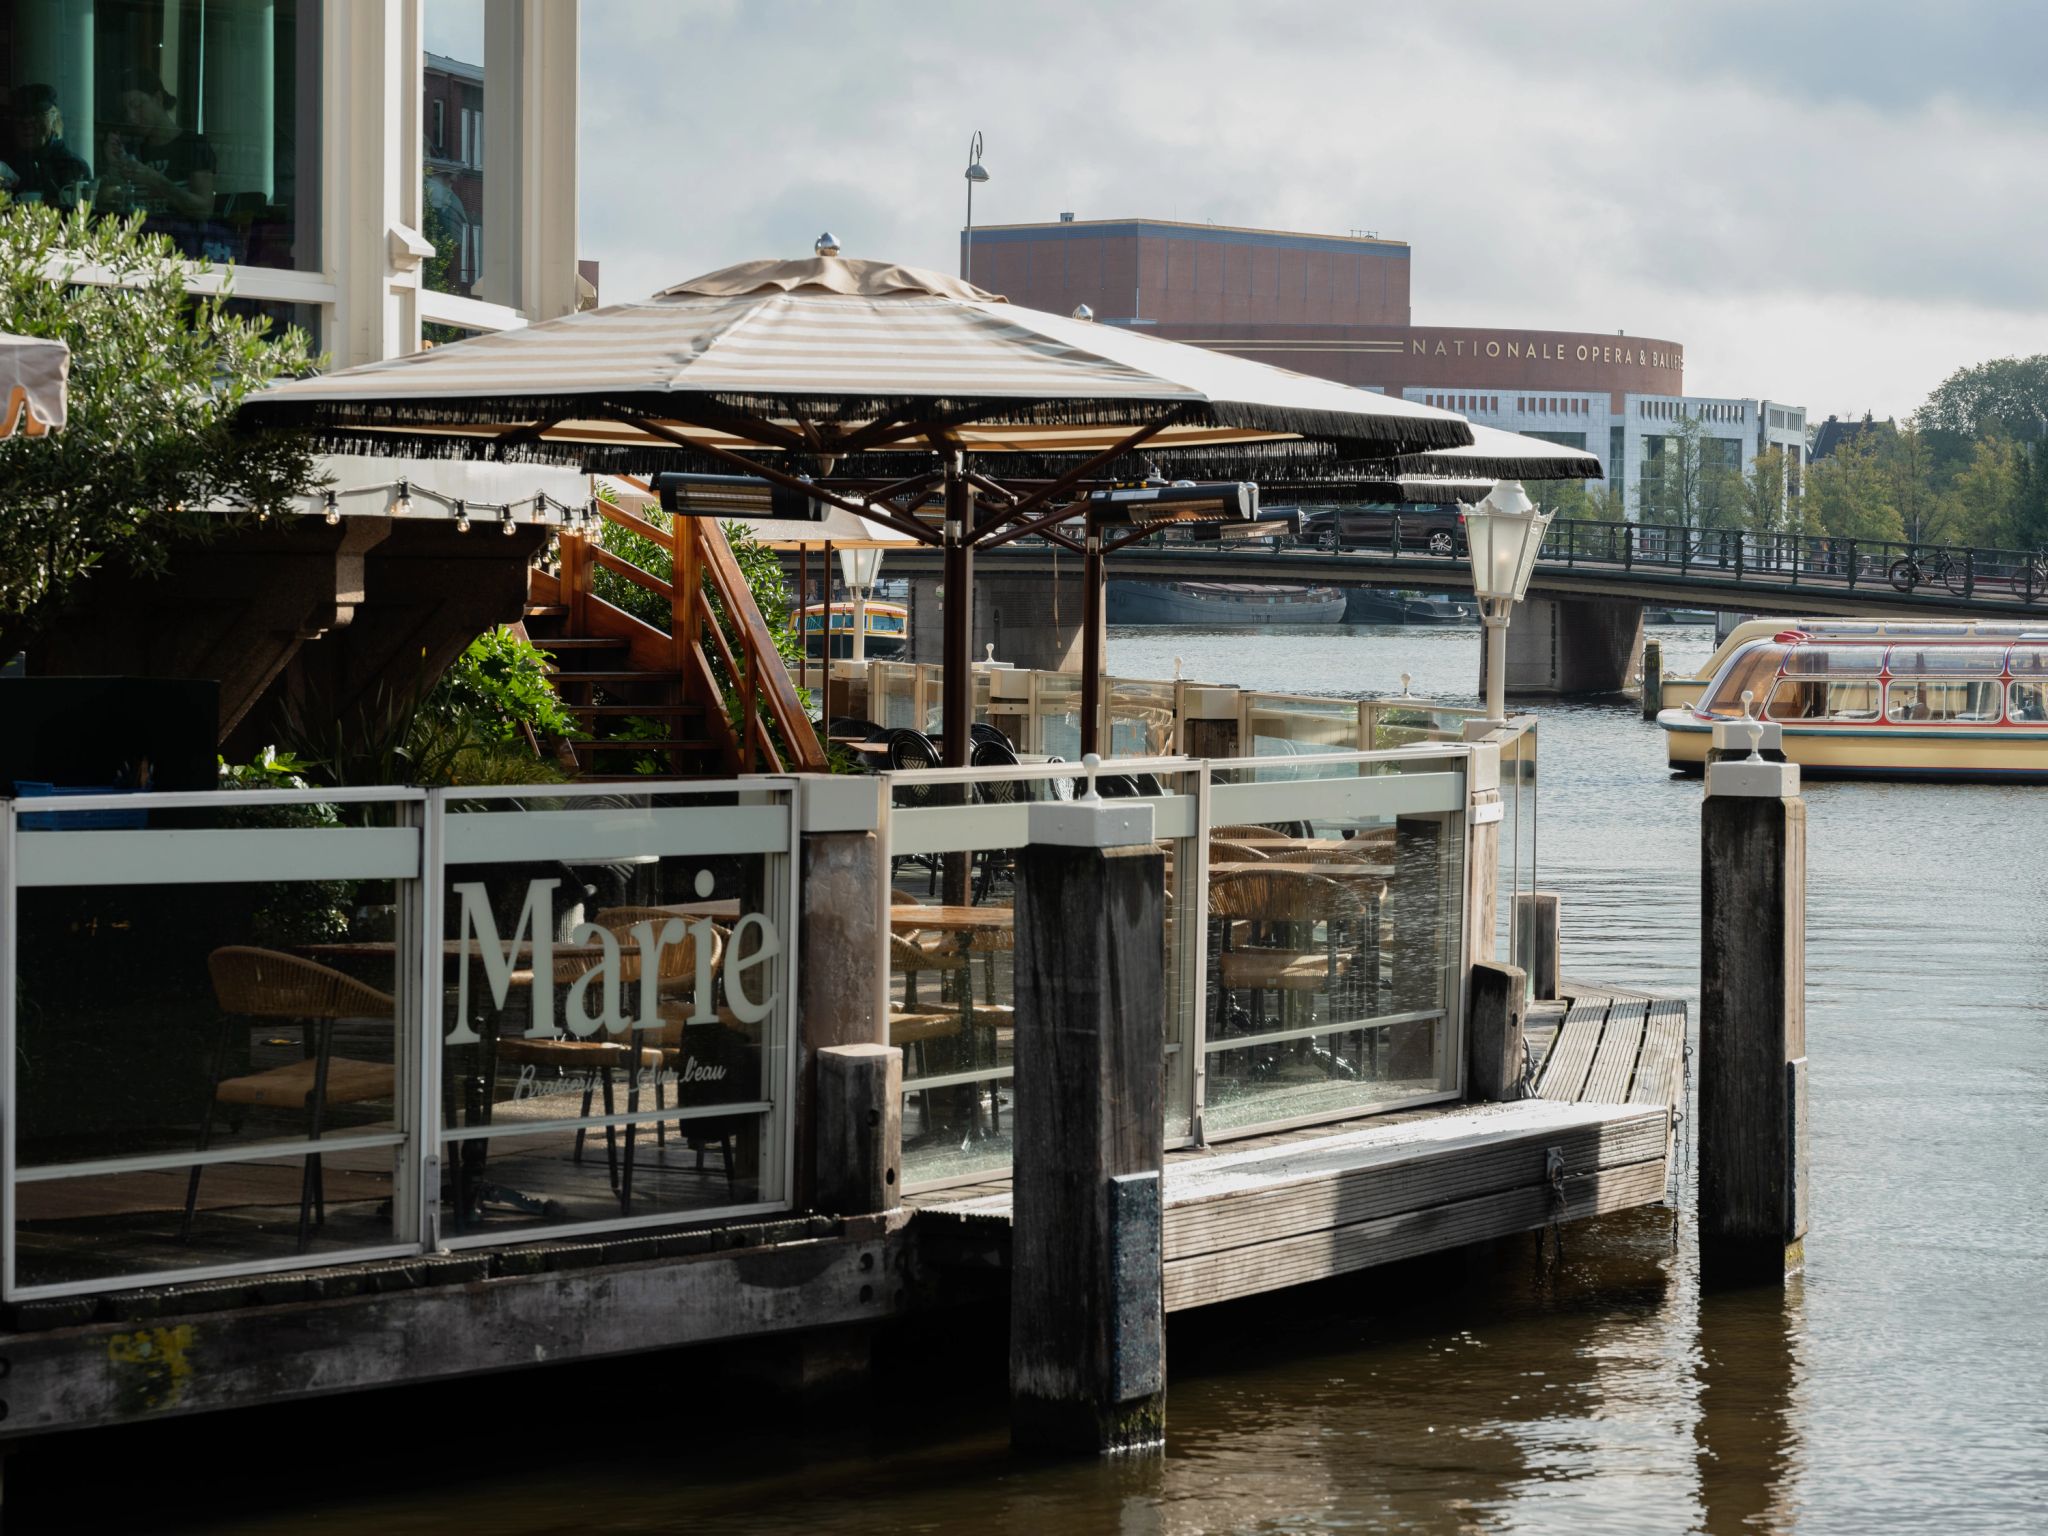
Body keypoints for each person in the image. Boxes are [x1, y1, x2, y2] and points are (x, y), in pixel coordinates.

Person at [104, 69, 215, 222]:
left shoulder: (193, 145)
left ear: (158, 98)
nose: (130, 117)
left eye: (137, 105)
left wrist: (156, 180)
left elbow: (204, 210)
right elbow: (107, 206)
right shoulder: (131, 149)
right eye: (125, 110)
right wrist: (114, 167)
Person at [0, 84, 91, 206]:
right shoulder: (5, 164)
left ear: (54, 117)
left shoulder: (73, 166)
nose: (27, 121)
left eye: (37, 114)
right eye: (20, 115)